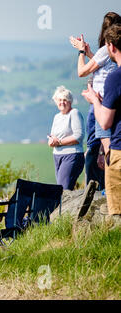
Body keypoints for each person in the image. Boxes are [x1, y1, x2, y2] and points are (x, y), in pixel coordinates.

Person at [69, 11, 121, 190]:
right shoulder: (109, 52)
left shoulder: (105, 50)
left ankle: (97, 189)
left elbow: (82, 71)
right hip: (109, 102)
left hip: (100, 103)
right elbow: (104, 64)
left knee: (96, 148)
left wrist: (81, 52)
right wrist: (91, 53)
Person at [82, 23, 121, 216]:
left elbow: (105, 122)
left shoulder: (115, 77)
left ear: (111, 47)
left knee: (117, 215)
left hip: (119, 150)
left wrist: (94, 100)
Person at [48, 86, 85, 190]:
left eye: (65, 100)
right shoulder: (57, 117)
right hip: (57, 155)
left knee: (63, 189)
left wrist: (59, 142)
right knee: (61, 188)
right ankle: (67, 206)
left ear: (70, 101)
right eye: (60, 100)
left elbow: (78, 136)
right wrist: (51, 142)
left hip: (72, 155)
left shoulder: (74, 113)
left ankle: (65, 206)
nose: (62, 103)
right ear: (56, 101)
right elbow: (52, 136)